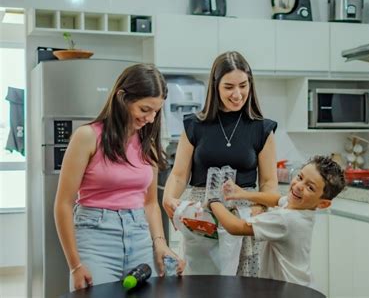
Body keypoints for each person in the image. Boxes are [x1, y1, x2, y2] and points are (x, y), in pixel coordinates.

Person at [54, 63, 185, 291]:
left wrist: (160, 245)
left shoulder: (148, 145)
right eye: (145, 109)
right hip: (95, 237)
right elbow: (63, 204)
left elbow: (150, 203)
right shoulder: (87, 137)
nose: (151, 119)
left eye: (156, 111)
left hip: (140, 236)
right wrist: (75, 265)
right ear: (122, 98)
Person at [162, 51, 278, 276]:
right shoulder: (194, 125)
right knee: (201, 283)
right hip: (201, 216)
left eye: (243, 85)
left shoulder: (262, 128)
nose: (237, 94)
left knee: (241, 287)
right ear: (215, 86)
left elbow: (268, 182)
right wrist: (168, 198)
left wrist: (260, 207)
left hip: (242, 216)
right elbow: (178, 175)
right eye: (229, 87)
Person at [207, 155, 346, 288]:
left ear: (323, 204)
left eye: (310, 187)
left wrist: (212, 200)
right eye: (300, 177)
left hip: (288, 290)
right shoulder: (300, 209)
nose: (298, 186)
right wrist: (242, 193)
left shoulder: (286, 219)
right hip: (299, 285)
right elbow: (276, 199)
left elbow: (236, 227)